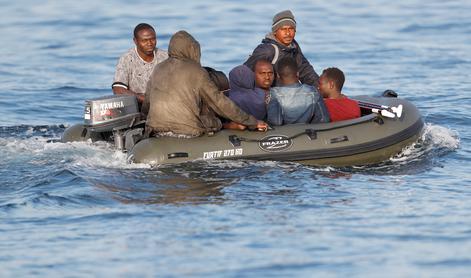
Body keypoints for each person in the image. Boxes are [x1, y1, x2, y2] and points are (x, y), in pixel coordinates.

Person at [141, 30, 268, 138]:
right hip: (186, 130)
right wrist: (252, 122)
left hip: (156, 129)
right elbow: (219, 102)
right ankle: (230, 125)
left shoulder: (158, 68)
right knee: (214, 121)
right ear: (192, 49)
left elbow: (147, 103)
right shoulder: (197, 71)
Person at [244, 10, 319, 87]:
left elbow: (305, 71)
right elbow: (245, 73)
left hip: (289, 93)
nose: (288, 33)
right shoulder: (268, 50)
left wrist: (319, 89)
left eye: (291, 29)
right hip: (268, 95)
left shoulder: (293, 47)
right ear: (275, 32)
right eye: (283, 29)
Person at [112, 23, 168, 104]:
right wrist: (144, 100)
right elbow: (118, 89)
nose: (149, 43)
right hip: (137, 104)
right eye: (144, 40)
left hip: (162, 104)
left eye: (153, 39)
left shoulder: (165, 57)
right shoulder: (127, 59)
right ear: (135, 41)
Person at [267, 57, 330, 125]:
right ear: (297, 74)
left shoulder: (274, 93)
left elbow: (276, 122)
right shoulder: (313, 91)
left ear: (278, 75)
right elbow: (324, 119)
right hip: (306, 131)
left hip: (286, 134)